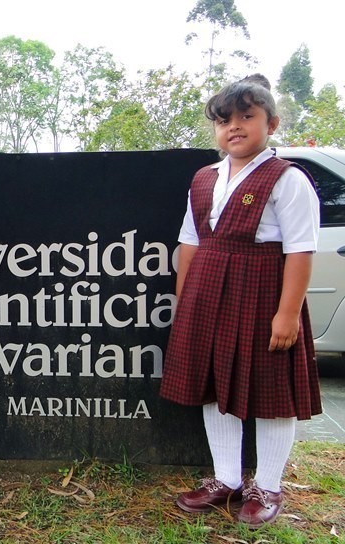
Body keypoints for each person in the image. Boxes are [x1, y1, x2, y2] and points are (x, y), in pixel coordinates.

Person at [159, 74, 321, 528]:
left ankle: (267, 485)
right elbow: (190, 243)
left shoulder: (287, 179)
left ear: (271, 123)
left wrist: (287, 314)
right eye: (224, 120)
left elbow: (300, 249)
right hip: (208, 294)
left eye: (247, 117)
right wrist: (184, 301)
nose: (234, 127)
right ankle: (226, 478)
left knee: (272, 391)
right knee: (215, 386)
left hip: (264, 292)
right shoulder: (204, 179)